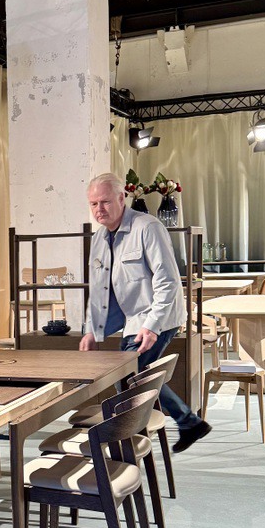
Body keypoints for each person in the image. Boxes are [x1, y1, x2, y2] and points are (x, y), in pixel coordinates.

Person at [80, 173, 211, 453]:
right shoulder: (100, 237)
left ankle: (132, 443)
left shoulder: (148, 227)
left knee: (128, 378)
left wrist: (152, 326)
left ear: (121, 198)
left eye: (105, 202)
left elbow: (168, 281)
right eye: (93, 204)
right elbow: (99, 289)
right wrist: (91, 329)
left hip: (158, 315)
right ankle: (187, 423)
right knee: (132, 378)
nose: (99, 209)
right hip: (131, 319)